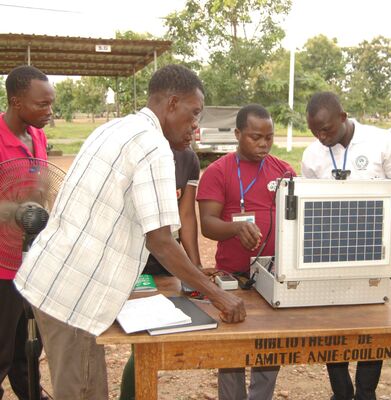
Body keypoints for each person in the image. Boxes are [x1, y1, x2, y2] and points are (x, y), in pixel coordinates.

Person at [14, 64, 246, 400]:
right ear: (172, 104)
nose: (196, 125)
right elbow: (161, 241)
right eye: (194, 113)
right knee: (83, 392)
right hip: (73, 297)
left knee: (82, 385)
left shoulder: (114, 128)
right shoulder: (154, 147)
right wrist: (218, 295)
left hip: (54, 280)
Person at [301, 91, 391, 400]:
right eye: (315, 131)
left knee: (373, 323)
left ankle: (367, 392)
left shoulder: (380, 141)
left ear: (343, 117)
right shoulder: (312, 155)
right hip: (327, 255)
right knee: (331, 323)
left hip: (375, 253)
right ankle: (341, 391)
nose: (321, 137)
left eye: (326, 129)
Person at [197, 104, 295, 400]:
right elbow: (208, 224)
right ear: (237, 134)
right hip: (234, 276)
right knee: (233, 350)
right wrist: (236, 228)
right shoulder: (218, 171)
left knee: (270, 346)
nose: (264, 144)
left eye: (269, 137)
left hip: (274, 275)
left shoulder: (284, 171)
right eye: (256, 137)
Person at [118, 146, 202, 400]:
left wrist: (195, 267)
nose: (194, 128)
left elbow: (186, 214)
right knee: (141, 341)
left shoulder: (188, 158)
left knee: (163, 329)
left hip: (168, 258)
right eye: (189, 124)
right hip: (133, 256)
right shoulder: (142, 152)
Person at [0, 65, 54, 400]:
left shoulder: (38, 136)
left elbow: (42, 185)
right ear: (16, 102)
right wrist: (17, 212)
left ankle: (31, 393)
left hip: (31, 259)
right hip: (2, 264)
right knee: (2, 346)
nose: (49, 111)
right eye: (41, 104)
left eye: (51, 103)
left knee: (29, 343)